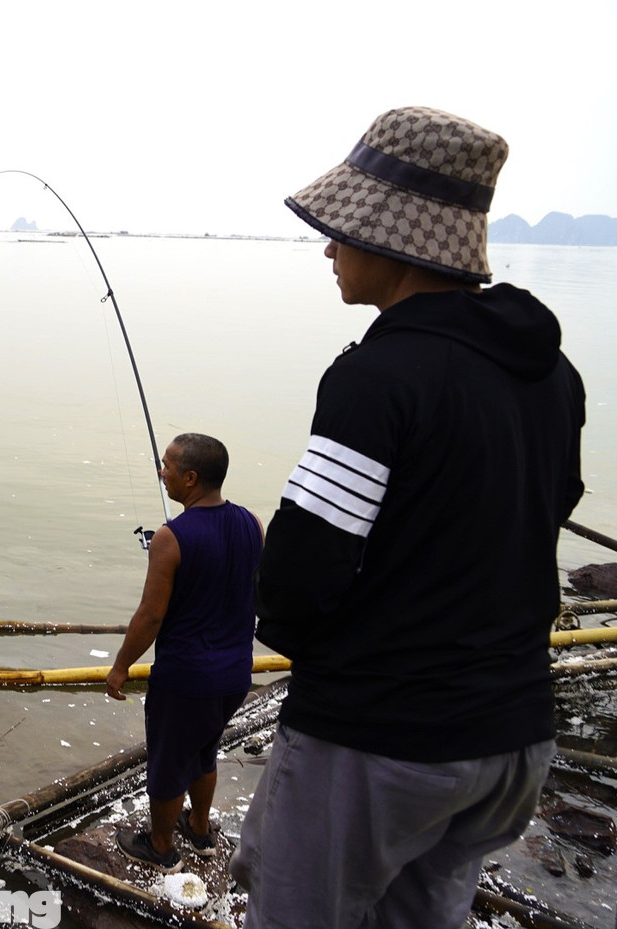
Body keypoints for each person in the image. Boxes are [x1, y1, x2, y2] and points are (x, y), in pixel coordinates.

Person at [230, 107, 586, 928]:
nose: (329, 249)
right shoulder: (553, 375)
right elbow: (542, 516)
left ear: (391, 240)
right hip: (511, 736)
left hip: (381, 738)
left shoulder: (377, 377)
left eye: (342, 231)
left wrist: (317, 644)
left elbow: (300, 575)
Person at [105, 433, 263, 874]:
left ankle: (160, 847)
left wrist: (120, 667)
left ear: (190, 478)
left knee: (169, 762)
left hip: (186, 678)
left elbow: (150, 617)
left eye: (168, 466)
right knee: (203, 752)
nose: (162, 472)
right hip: (235, 673)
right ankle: (199, 828)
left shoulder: (170, 538)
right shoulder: (253, 523)